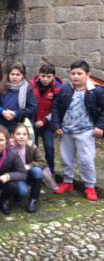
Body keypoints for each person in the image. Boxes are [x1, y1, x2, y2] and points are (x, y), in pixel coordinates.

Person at [51, 60, 104, 201]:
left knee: (86, 160)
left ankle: (90, 186)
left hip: (86, 131)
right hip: (67, 130)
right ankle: (68, 182)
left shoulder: (96, 91)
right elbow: (56, 107)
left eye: (79, 74)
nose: (75, 76)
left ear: (88, 75)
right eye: (73, 73)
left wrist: (100, 126)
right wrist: (56, 125)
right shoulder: (65, 89)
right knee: (66, 159)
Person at [30, 63, 63, 175]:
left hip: (47, 124)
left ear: (53, 77)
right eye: (43, 76)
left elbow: (57, 109)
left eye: (48, 76)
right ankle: (33, 171)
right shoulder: (32, 86)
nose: (45, 79)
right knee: (32, 147)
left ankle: (51, 172)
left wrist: (44, 121)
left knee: (49, 148)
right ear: (39, 75)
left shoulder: (58, 89)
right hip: (33, 122)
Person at [0, 62, 37, 133]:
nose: (14, 77)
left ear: (23, 75)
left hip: (19, 125)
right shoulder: (0, 87)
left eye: (18, 75)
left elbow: (32, 108)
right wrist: (1, 111)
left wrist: (16, 113)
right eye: (12, 74)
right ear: (8, 75)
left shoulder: (28, 90)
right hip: (0, 124)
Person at [11, 123, 46, 213]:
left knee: (38, 171)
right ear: (13, 135)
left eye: (24, 134)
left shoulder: (32, 147)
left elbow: (43, 162)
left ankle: (33, 200)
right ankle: (16, 193)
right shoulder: (9, 148)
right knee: (22, 191)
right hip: (17, 176)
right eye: (18, 134)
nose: (21, 137)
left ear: (28, 136)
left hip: (29, 174)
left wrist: (29, 166)